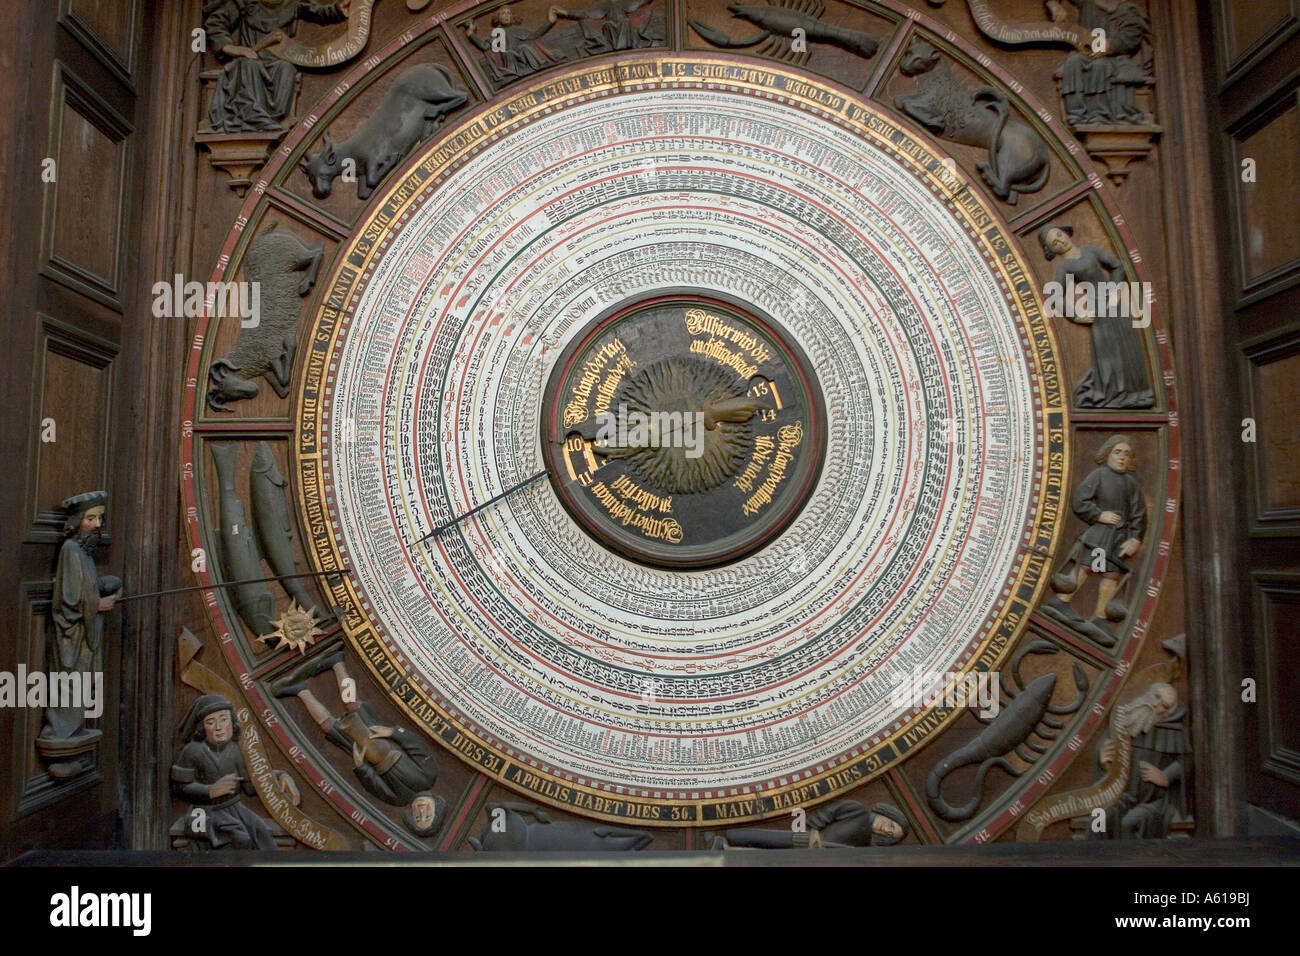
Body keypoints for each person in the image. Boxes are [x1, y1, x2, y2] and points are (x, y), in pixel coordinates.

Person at [273, 643, 444, 836]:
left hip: (366, 755)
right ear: (436, 809)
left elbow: (374, 785)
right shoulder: (428, 776)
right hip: (382, 739)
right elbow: (417, 746)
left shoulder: (398, 799)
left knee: (329, 726)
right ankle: (337, 664)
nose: (421, 811)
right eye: (427, 815)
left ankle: (300, 691)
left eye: (418, 817)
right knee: (352, 704)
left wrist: (361, 766)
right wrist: (392, 732)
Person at [1044, 435, 1145, 645]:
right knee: (1088, 566)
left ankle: (1100, 616)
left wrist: (1135, 538)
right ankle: (1062, 601)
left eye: (1126, 454)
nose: (1122, 458)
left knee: (1111, 575)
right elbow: (1080, 500)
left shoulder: (1131, 484)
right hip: (1100, 534)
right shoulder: (1098, 475)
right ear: (1107, 454)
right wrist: (1099, 515)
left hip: (1119, 538)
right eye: (1117, 452)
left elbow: (1139, 514)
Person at [1039, 224, 1153, 409]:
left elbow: (1117, 265)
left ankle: (1137, 393)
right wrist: (1075, 317)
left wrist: (1115, 290)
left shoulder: (1089, 250)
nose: (1060, 241)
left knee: (1128, 346)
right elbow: (1054, 295)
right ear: (1052, 249)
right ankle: (1114, 396)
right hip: (1097, 311)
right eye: (1054, 243)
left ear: (1066, 233)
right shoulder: (1066, 266)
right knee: (1109, 354)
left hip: (1115, 305)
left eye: (1059, 235)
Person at [42, 492, 121, 749]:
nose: (98, 524)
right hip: (72, 634)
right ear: (77, 521)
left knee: (81, 683)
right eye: (91, 518)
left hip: (84, 633)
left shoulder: (84, 551)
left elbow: (85, 587)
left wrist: (105, 586)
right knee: (70, 682)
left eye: (100, 517)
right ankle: (60, 733)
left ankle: (72, 730)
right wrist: (99, 603)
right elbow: (68, 597)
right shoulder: (71, 550)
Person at [204, 0, 351, 132]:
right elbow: (216, 22)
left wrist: (337, 9)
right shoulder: (244, 3)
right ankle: (253, 117)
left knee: (286, 69)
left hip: (277, 59)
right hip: (249, 58)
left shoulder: (292, 4)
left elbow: (316, 12)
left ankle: (274, 119)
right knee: (249, 66)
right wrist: (234, 49)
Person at [171, 694, 296, 850]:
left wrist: (278, 777)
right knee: (239, 837)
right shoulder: (192, 751)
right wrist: (211, 791)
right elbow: (179, 788)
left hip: (234, 808)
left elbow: (250, 786)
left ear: (232, 722)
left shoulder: (235, 750)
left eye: (224, 719)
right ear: (202, 728)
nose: (218, 727)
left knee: (261, 833)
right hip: (205, 811)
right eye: (211, 722)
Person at [1091, 682, 1189, 839]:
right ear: (1147, 694)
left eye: (1163, 705)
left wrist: (1165, 776)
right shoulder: (1126, 719)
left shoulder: (1173, 731)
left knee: (1129, 823)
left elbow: (1185, 763)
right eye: (1155, 696)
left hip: (1153, 800)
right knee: (1100, 817)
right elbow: (1104, 752)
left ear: (1168, 712)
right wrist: (1103, 762)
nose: (1155, 704)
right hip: (1122, 796)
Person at [1059, 1, 1151, 125]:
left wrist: (1110, 45)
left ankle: (1099, 114)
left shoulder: (1128, 10)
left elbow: (1131, 38)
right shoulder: (1088, 3)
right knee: (1073, 61)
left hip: (1116, 58)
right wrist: (1053, 4)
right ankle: (1076, 114)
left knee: (1100, 66)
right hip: (1089, 53)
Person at [720, 801, 908, 848]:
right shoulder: (857, 809)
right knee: (769, 839)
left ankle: (726, 848)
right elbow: (826, 813)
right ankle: (731, 838)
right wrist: (814, 831)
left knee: (766, 858)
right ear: (887, 814)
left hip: (817, 855)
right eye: (891, 826)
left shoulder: (865, 842)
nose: (885, 830)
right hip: (806, 838)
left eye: (889, 835)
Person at [464, 6, 563, 87]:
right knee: (508, 53)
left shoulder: (516, 29)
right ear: (498, 18)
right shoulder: (497, 32)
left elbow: (535, 34)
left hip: (522, 55)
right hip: (509, 58)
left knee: (524, 48)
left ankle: (538, 65)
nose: (506, 16)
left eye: (508, 13)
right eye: (503, 13)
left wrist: (550, 22)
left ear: (512, 16)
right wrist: (470, 33)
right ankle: (513, 75)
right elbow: (485, 46)